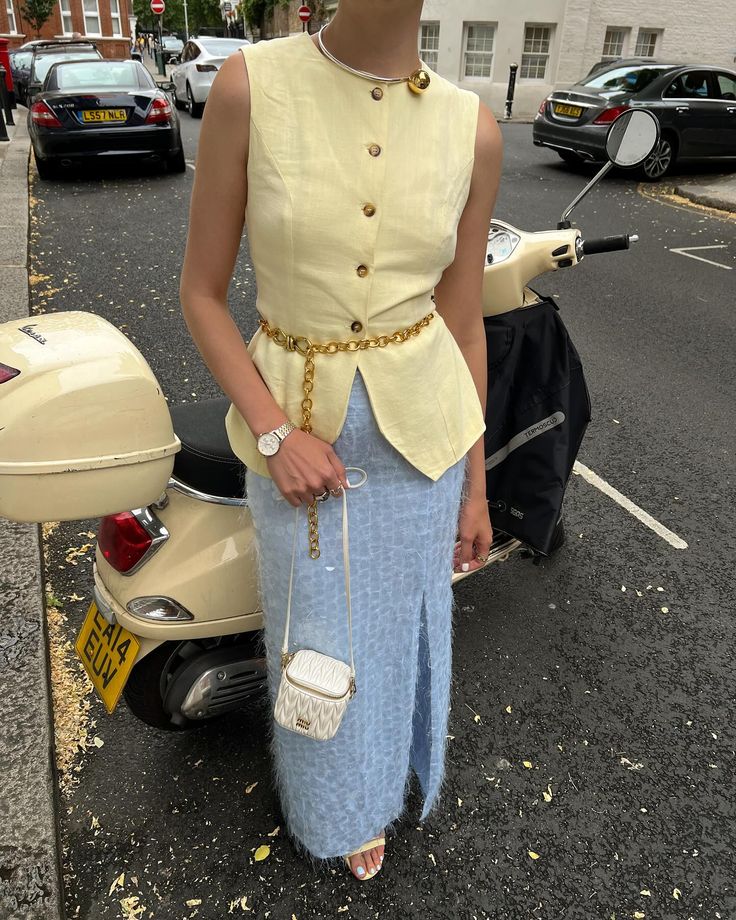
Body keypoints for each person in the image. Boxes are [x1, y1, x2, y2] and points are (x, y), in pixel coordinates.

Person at [179, 0, 502, 882]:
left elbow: (464, 318)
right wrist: (275, 432)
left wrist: (476, 489)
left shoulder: (472, 129)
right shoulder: (253, 85)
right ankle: (335, 805)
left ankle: (382, 778)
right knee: (315, 639)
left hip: (424, 442)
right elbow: (201, 292)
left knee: (398, 632)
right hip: (299, 425)